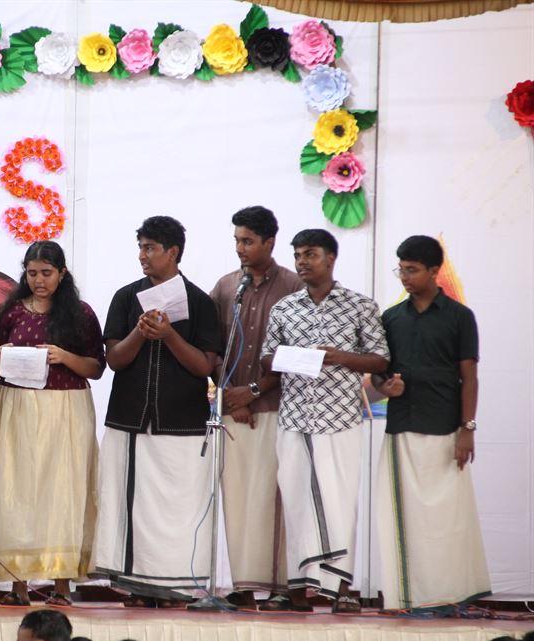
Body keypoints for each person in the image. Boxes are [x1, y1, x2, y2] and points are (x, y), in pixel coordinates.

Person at [90, 216, 222, 606]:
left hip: (182, 423)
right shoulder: (126, 297)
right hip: (129, 418)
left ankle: (176, 587)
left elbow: (204, 365)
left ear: (173, 252)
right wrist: (139, 332)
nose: (142, 256)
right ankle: (136, 586)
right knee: (131, 507)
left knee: (177, 510)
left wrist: (169, 336)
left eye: (150, 248)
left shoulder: (200, 303)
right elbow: (114, 360)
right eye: (141, 247)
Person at [260, 229, 389, 613]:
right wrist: (296, 358)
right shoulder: (285, 308)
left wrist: (340, 357)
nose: (302, 262)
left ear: (330, 258)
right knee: (296, 504)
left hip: (340, 421)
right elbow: (267, 359)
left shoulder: (360, 306)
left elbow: (380, 359)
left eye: (310, 254)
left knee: (340, 503)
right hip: (295, 420)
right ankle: (298, 591)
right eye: (298, 255)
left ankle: (342, 590)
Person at [0, 241, 105, 606]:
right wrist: (4, 358)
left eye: (46, 273)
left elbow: (96, 367)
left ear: (62, 273)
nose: (39, 280)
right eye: (32, 273)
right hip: (16, 407)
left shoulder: (80, 314)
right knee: (16, 491)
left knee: (64, 492)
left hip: (66, 408)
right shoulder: (13, 312)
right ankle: (18, 587)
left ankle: (62, 587)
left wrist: (64, 356)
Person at [372, 236, 490, 611]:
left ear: (435, 271)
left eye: (412, 270)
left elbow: (469, 377)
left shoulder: (459, 317)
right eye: (401, 269)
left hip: (446, 428)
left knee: (447, 520)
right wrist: (386, 386)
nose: (405, 277)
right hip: (402, 428)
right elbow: (379, 375)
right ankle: (407, 599)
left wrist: (467, 429)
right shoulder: (391, 318)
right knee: (403, 518)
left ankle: (450, 597)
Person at [209, 206, 301, 610]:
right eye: (236, 240)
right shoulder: (227, 287)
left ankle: (282, 586)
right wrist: (230, 394)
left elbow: (296, 356)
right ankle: (243, 585)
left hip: (278, 408)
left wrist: (252, 392)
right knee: (238, 498)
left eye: (247, 241)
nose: (240, 248)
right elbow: (212, 348)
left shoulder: (294, 286)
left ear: (269, 242)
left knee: (274, 498)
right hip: (233, 409)